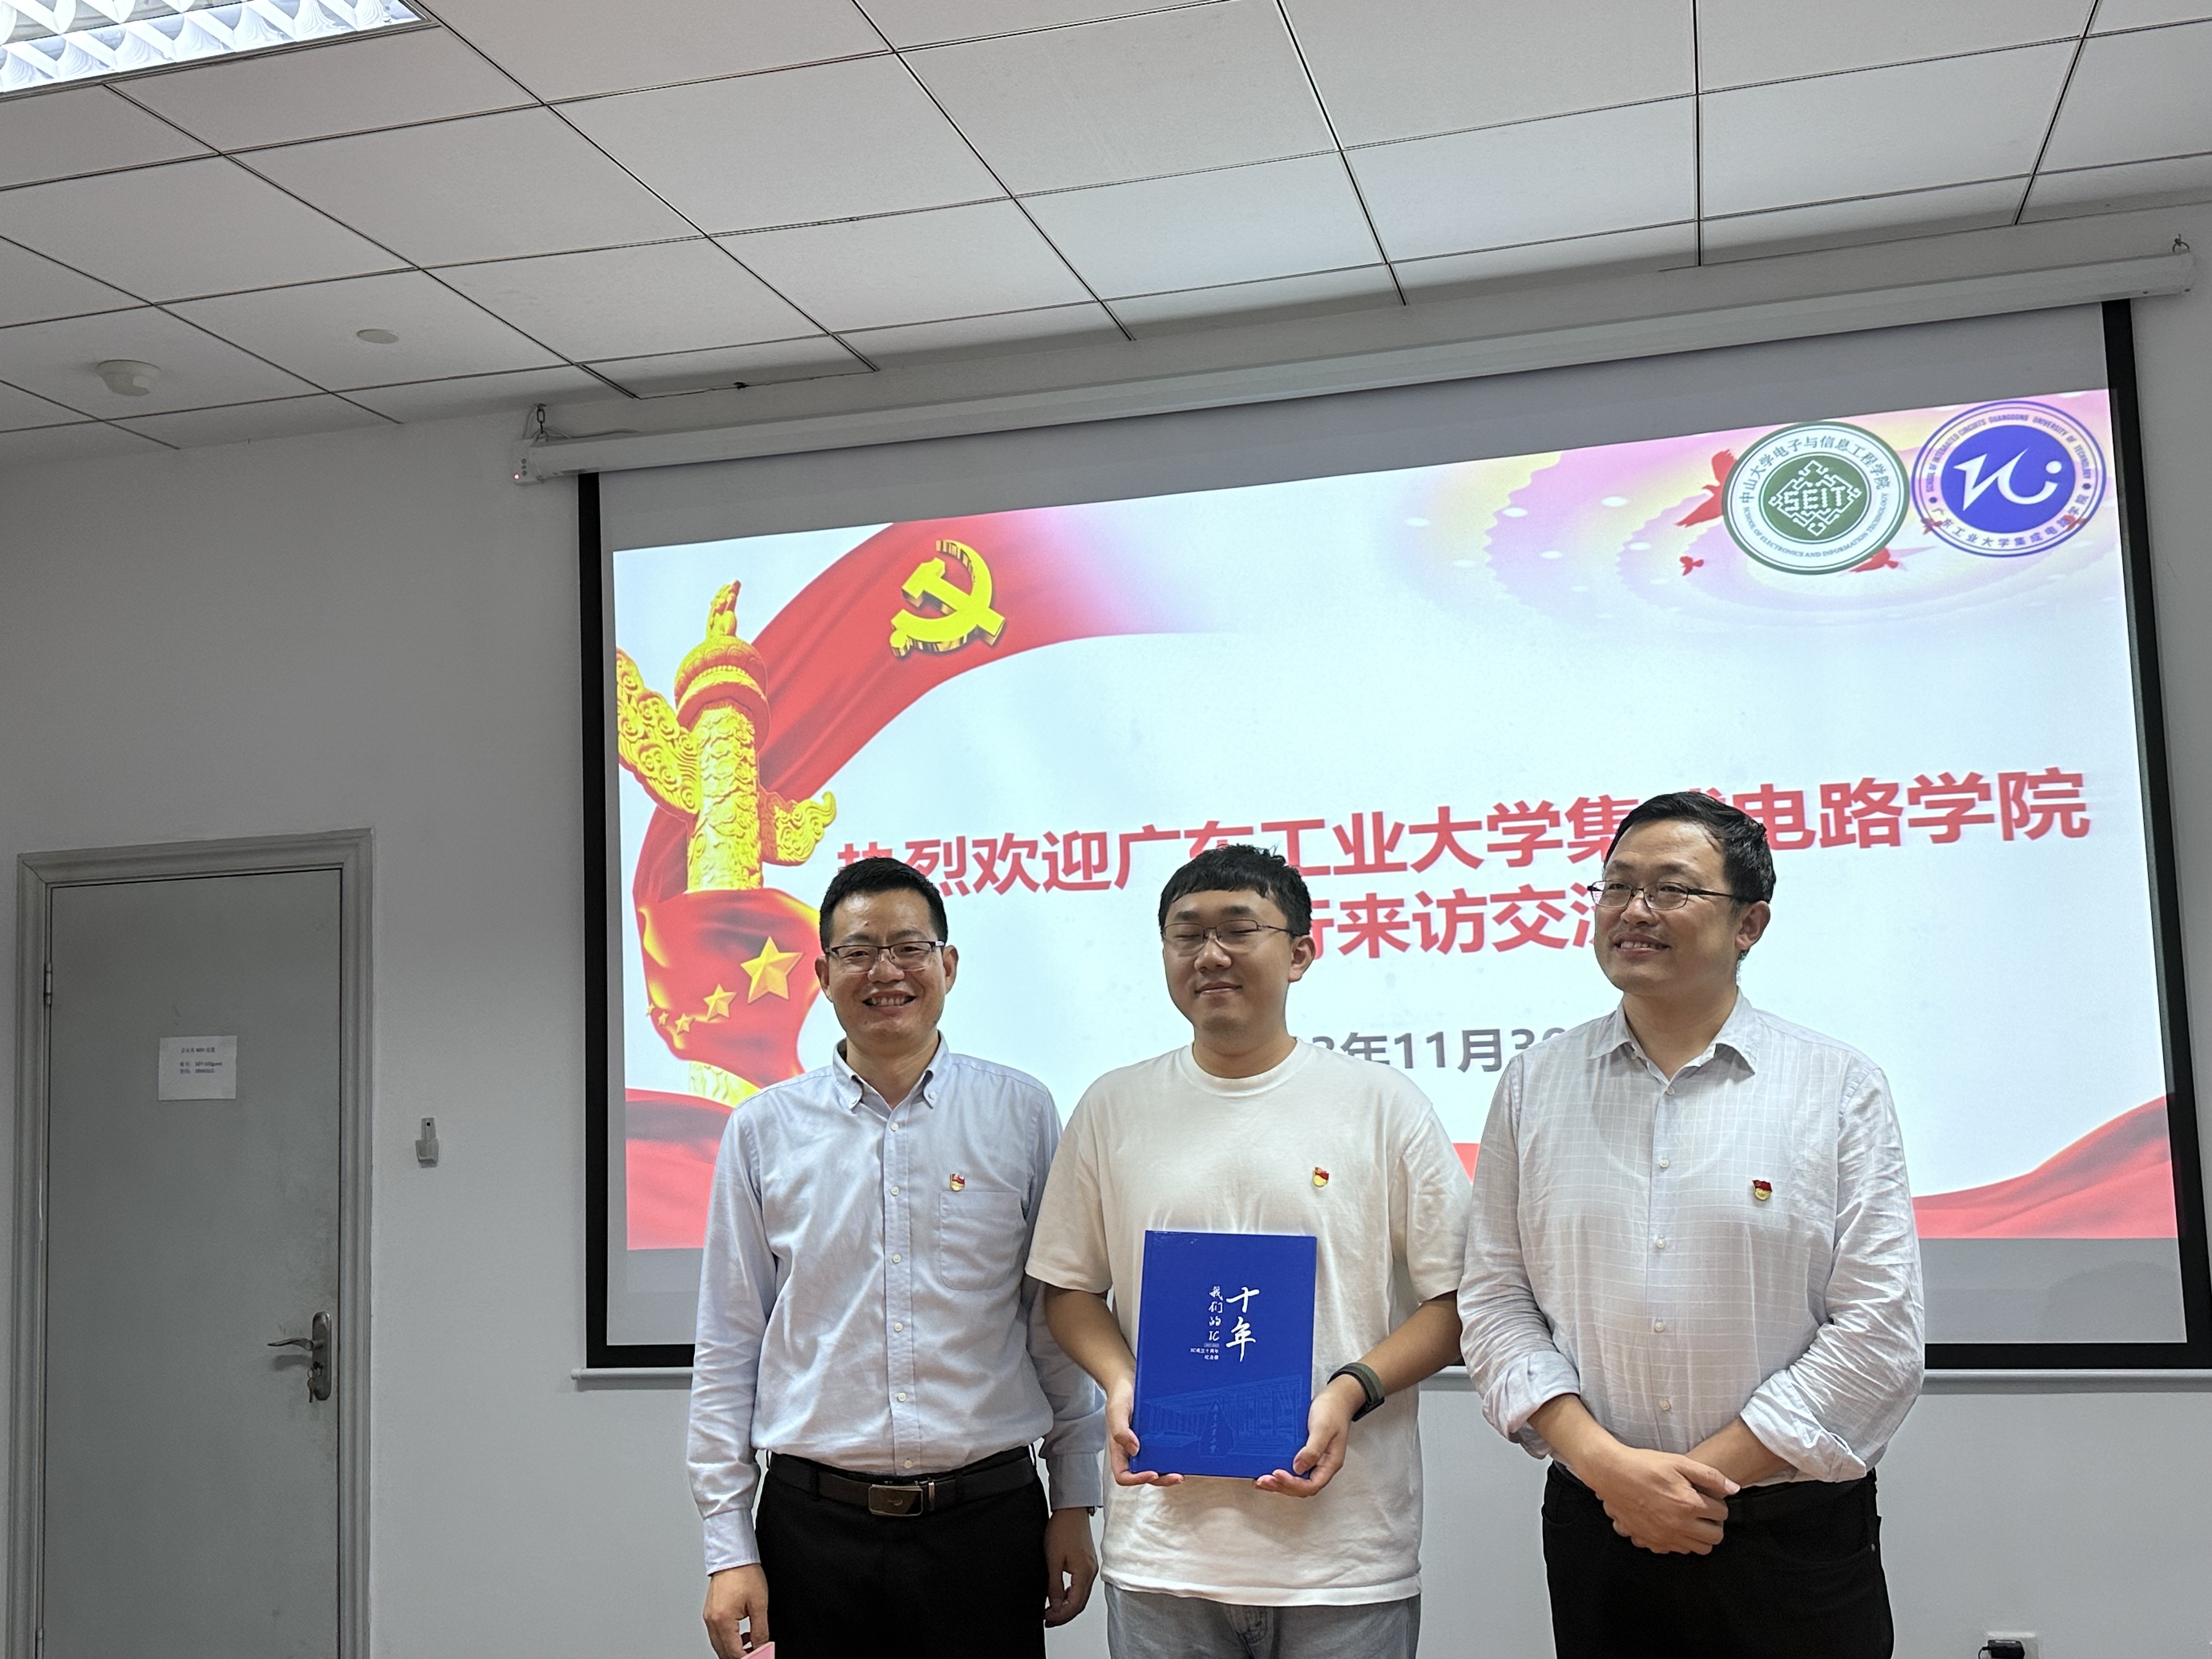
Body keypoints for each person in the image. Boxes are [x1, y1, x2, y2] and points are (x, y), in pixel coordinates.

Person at [1459, 791, 1923, 1659]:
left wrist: (1689, 1484)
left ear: (1749, 924)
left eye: (1671, 889)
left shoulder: (1837, 1087)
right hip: (1601, 1521)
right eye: (1617, 886)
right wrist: (1610, 1471)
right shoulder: (1534, 1084)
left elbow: (1878, 1333)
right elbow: (1495, 1300)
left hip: (1789, 1536)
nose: (1634, 911)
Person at [1028, 843, 1470, 1659]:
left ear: (1300, 953)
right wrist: (1123, 1382)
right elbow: (1070, 1290)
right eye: (1186, 934)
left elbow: (1457, 1303)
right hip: (1164, 1555)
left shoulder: (1383, 1106)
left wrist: (1351, 1391)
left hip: (1343, 1559)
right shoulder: (1113, 1106)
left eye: (1238, 930)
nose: (1210, 955)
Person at [688, 856, 1106, 1658]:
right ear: (822, 975)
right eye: (858, 952)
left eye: (910, 948)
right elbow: (730, 1342)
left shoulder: (1021, 1113)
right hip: (814, 1532)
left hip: (989, 1524)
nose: (887, 972)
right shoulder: (763, 1131)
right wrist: (728, 1545)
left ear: (948, 965)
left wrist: (1074, 1501)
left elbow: (1051, 1323)